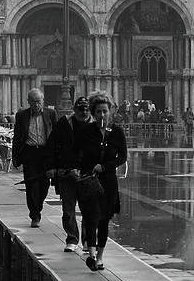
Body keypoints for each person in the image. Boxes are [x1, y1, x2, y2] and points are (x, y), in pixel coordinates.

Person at [73, 94, 127, 271]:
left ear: (110, 112)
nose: (102, 115)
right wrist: (76, 168)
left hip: (108, 182)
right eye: (98, 112)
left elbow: (123, 157)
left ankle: (100, 256)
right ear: (93, 113)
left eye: (105, 111)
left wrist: (104, 167)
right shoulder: (86, 132)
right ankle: (92, 254)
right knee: (91, 217)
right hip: (89, 181)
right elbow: (76, 153)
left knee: (104, 220)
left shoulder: (117, 132)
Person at [45, 95, 92, 252]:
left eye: (86, 110)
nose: (83, 113)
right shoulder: (63, 124)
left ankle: (87, 240)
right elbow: (52, 145)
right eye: (80, 110)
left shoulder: (96, 125)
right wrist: (51, 166)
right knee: (68, 209)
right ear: (74, 110)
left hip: (87, 175)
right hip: (66, 173)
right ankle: (72, 238)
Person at [12, 88, 57, 227]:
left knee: (44, 185)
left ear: (43, 101)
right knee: (31, 185)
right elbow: (17, 137)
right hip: (30, 153)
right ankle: (34, 215)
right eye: (33, 102)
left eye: (39, 101)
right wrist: (15, 157)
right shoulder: (22, 116)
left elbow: (56, 135)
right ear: (28, 102)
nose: (36, 105)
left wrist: (57, 157)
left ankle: (38, 207)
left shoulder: (51, 114)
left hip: (46, 153)